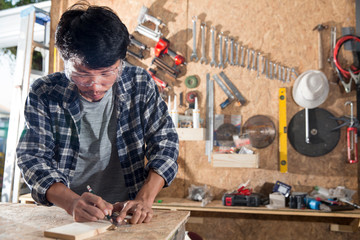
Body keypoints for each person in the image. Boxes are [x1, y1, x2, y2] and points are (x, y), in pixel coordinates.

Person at [16, 2, 179, 225]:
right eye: (82, 74)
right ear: (65, 62)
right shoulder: (45, 92)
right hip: (65, 215)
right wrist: (72, 203)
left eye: (106, 73)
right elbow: (32, 158)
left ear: (120, 62)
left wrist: (144, 198)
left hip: (127, 214)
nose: (95, 85)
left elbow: (166, 143)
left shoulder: (140, 83)